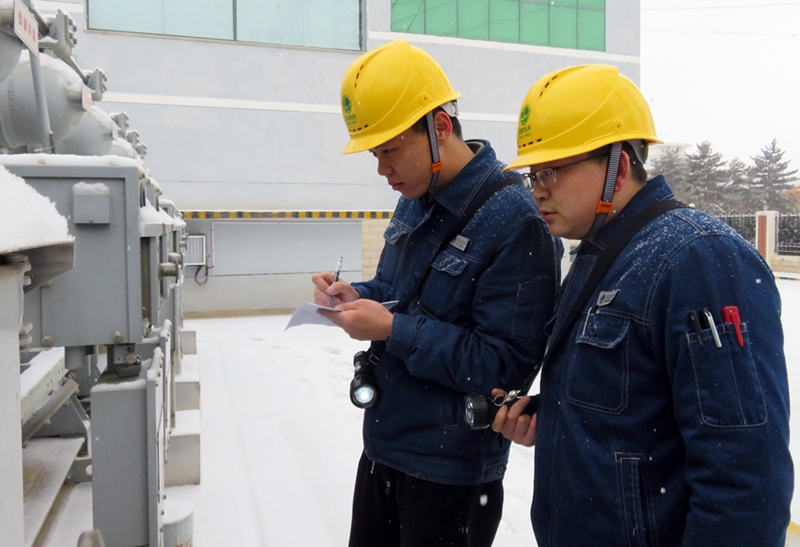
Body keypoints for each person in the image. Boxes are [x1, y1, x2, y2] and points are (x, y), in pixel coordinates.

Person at [492, 64, 793, 546]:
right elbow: (641, 402)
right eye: (533, 174)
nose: (538, 189)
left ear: (620, 165)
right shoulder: (598, 253)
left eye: (553, 169)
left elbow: (744, 473)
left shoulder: (699, 258)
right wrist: (560, 415)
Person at [311, 40, 559, 547]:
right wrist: (356, 294)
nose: (383, 169)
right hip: (385, 447)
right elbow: (398, 293)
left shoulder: (516, 222)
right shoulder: (414, 199)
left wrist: (393, 329)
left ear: (439, 128)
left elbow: (504, 365)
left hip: (451, 473)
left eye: (390, 150)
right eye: (375, 153)